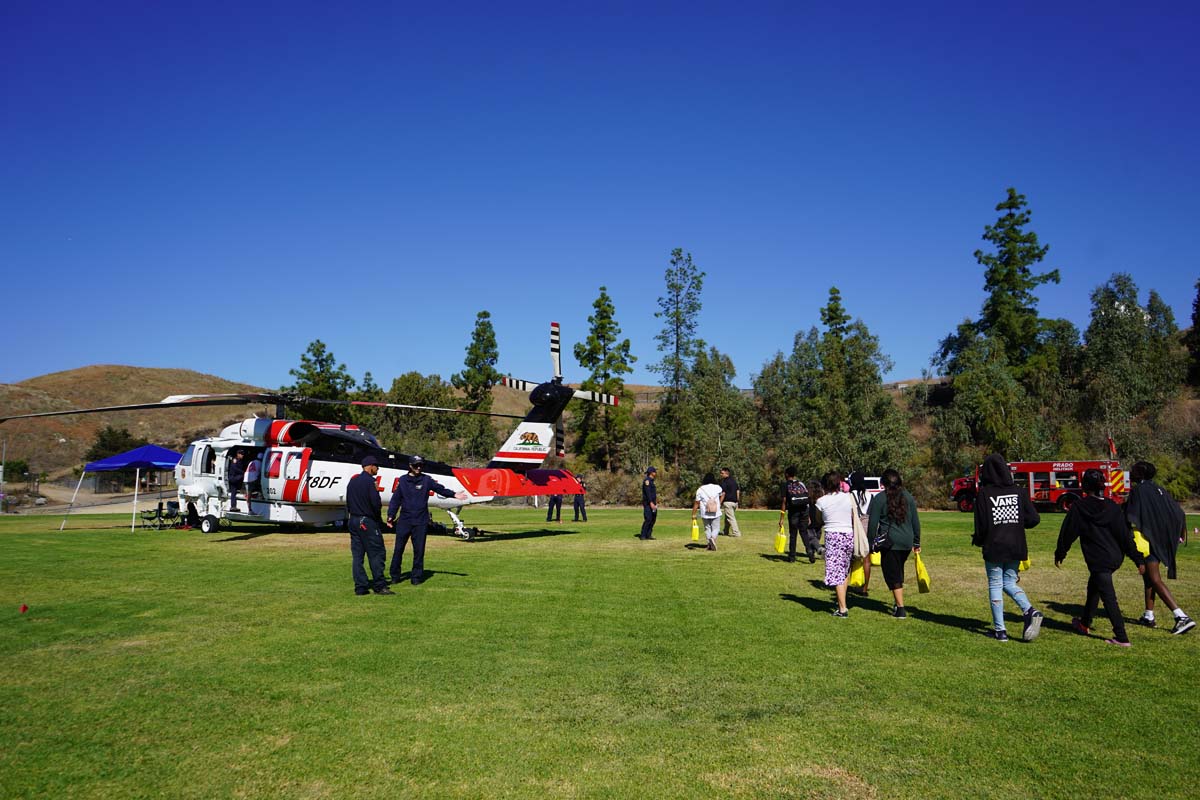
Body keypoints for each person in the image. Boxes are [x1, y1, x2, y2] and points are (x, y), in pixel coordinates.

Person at [1055, 468, 1146, 646]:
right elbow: (1125, 536)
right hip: (1114, 557)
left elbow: (1068, 532)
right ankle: (1084, 623)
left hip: (1099, 560)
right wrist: (1137, 558)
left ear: (1084, 486)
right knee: (1094, 588)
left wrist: (1061, 552)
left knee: (1108, 597)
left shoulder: (1079, 507)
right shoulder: (1112, 507)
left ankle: (1121, 637)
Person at [972, 453, 1045, 642]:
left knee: (995, 584)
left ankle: (1000, 630)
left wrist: (979, 540)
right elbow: (1034, 519)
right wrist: (1017, 523)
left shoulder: (984, 494)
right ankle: (1029, 610)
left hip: (994, 545)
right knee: (1009, 583)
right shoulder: (1019, 492)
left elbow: (981, 525)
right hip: (1015, 544)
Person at [1125, 461, 1194, 634]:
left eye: (1133, 470)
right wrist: (1180, 532)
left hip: (1147, 540)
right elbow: (1179, 512)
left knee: (1154, 578)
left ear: (1139, 474)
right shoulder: (1159, 489)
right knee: (1149, 578)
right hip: (1159, 538)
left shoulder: (1138, 491)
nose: (1130, 472)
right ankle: (1149, 615)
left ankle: (1181, 617)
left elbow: (1130, 515)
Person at [386, 455, 466, 585]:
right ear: (410, 466)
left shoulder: (426, 480)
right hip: (404, 521)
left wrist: (454, 494)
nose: (419, 468)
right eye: (416, 465)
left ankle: (416, 577)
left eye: (421, 465)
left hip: (420, 521)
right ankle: (395, 576)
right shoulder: (403, 480)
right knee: (398, 549)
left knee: (419, 551)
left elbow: (440, 489)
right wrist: (391, 516)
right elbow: (396, 499)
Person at [866, 469, 921, 618]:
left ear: (882, 483)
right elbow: (916, 522)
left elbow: (872, 525)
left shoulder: (879, 498)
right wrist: (916, 541)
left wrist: (870, 542)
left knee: (892, 574)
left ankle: (901, 608)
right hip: (906, 541)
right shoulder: (908, 497)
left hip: (890, 542)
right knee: (897, 570)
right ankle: (897, 603)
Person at [345, 456, 393, 596]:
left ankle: (360, 587)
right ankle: (379, 585)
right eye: (376, 466)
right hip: (367, 521)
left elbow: (348, 502)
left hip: (353, 520)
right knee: (376, 553)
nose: (378, 468)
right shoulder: (371, 482)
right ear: (370, 466)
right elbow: (375, 504)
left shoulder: (352, 481)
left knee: (357, 556)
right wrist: (378, 521)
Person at [814, 471, 856, 617]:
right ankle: (842, 602)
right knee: (844, 570)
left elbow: (818, 521)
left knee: (836, 572)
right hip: (849, 535)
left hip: (833, 536)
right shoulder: (848, 497)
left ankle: (842, 609)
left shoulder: (821, 501)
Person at [780, 467, 812, 562]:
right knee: (804, 532)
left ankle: (792, 556)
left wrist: (782, 518)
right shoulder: (800, 484)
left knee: (793, 534)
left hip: (793, 512)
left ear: (786, 474)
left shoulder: (785, 485)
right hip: (804, 510)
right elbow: (806, 499)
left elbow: (784, 502)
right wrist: (809, 515)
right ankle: (809, 551)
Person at [849, 471, 873, 595]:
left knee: (849, 558)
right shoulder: (870, 495)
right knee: (866, 559)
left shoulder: (850, 495)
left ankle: (845, 583)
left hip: (854, 528)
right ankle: (865, 588)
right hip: (868, 527)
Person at [693, 472, 724, 551]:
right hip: (716, 511)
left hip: (705, 512)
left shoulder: (700, 489)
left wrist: (694, 513)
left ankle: (709, 544)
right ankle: (713, 539)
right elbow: (723, 494)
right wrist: (719, 503)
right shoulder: (718, 487)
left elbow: (697, 502)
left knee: (707, 528)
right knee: (716, 528)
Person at [718, 467, 742, 537]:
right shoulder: (734, 481)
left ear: (727, 473)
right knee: (727, 517)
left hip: (728, 502)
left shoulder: (724, 482)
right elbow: (738, 491)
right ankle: (725, 531)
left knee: (731, 518)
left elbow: (723, 493)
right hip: (734, 502)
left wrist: (719, 503)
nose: (721, 474)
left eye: (722, 473)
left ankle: (736, 533)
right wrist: (737, 501)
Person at [639, 466, 658, 540]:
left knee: (653, 519)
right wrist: (650, 502)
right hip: (648, 504)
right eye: (654, 471)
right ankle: (643, 535)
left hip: (653, 503)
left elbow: (653, 493)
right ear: (651, 473)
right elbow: (648, 493)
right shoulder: (647, 481)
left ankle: (648, 534)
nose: (656, 473)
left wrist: (655, 502)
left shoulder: (652, 481)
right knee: (648, 519)